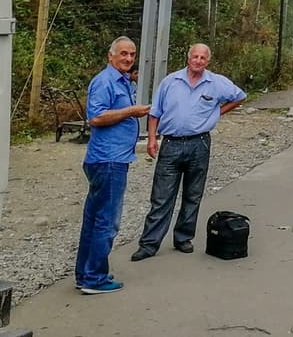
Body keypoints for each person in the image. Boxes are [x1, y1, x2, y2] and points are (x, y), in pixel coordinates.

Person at [131, 43, 246, 261]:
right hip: (171, 144)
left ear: (208, 61)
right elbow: (155, 112)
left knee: (193, 194)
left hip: (199, 143)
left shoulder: (216, 83)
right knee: (161, 196)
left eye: (203, 58)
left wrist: (217, 113)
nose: (198, 61)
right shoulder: (170, 81)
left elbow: (240, 96)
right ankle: (149, 244)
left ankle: (183, 237)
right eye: (195, 56)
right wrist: (152, 139)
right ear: (188, 58)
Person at [75, 37, 151, 294]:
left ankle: (84, 274)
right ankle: (95, 279)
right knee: (107, 221)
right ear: (111, 56)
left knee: (94, 219)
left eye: (132, 54)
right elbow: (96, 117)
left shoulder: (122, 80)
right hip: (108, 160)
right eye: (123, 54)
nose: (128, 58)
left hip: (111, 159)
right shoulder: (105, 81)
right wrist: (131, 111)